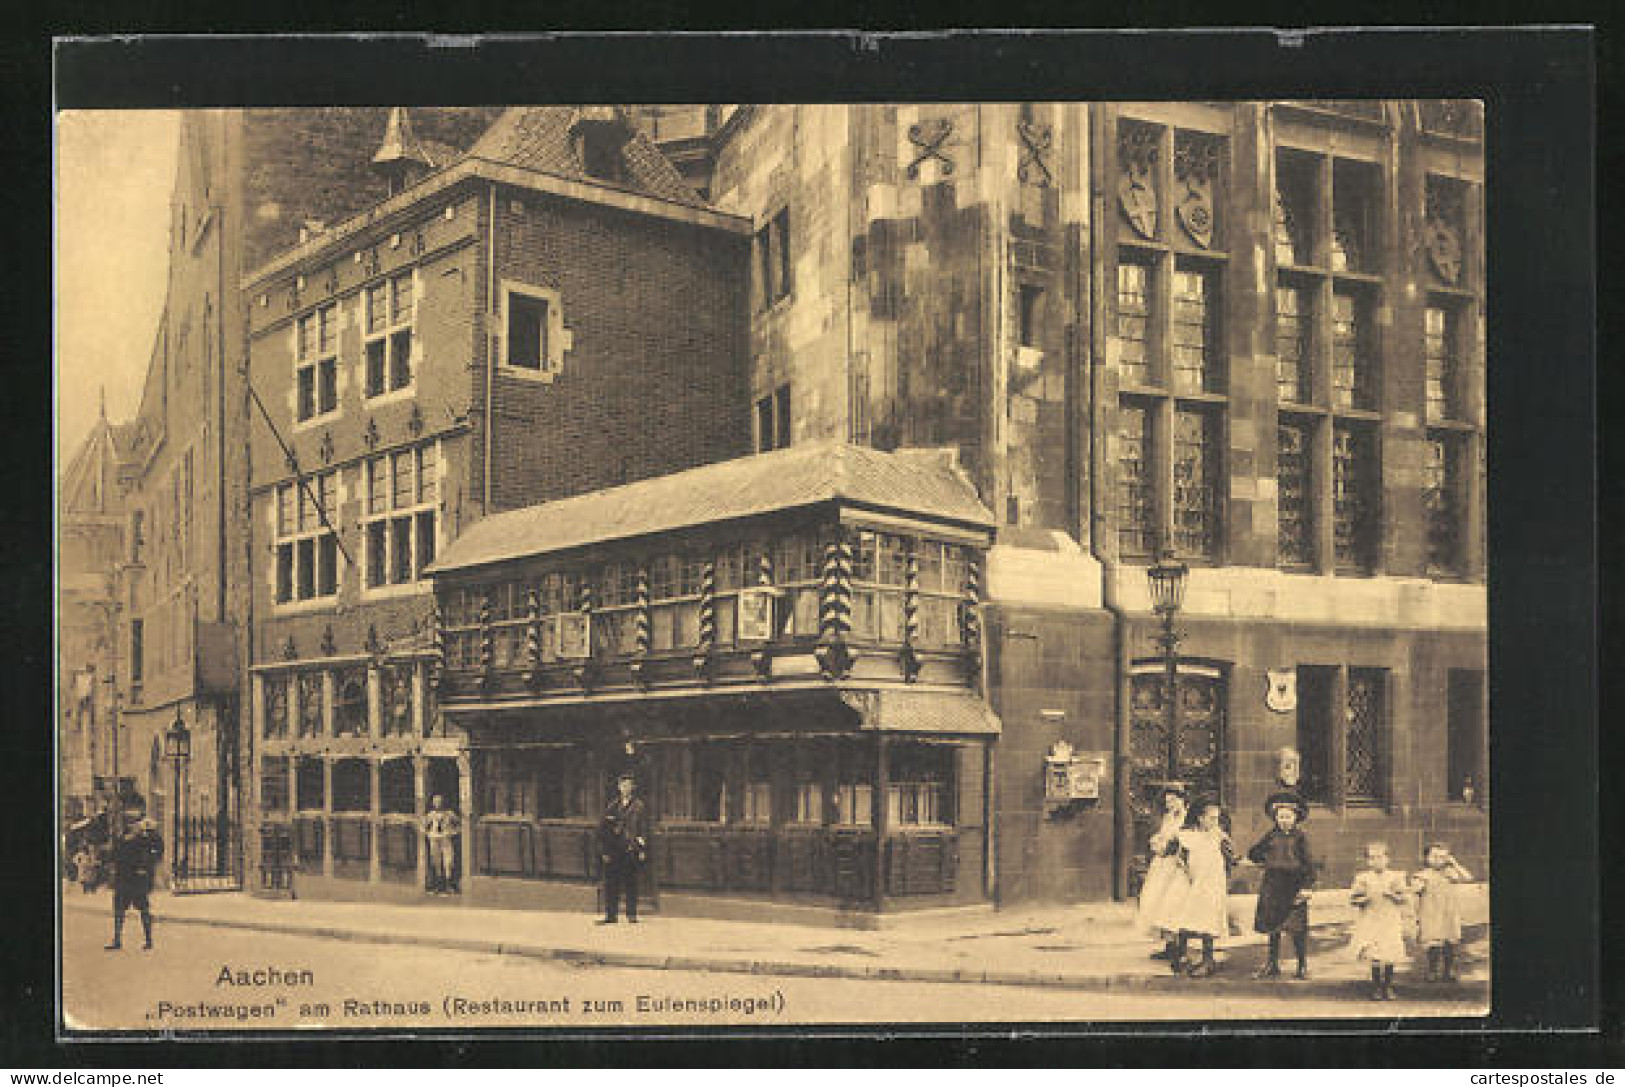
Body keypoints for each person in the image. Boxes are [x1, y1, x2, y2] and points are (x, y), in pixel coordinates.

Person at [1247, 794, 1315, 980]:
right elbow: (1253, 853)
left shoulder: (1300, 838)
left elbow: (1309, 864)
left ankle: (1302, 965)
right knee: (1273, 926)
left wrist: (1307, 887)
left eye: (1288, 817)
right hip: (1273, 885)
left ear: (1296, 818)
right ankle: (1272, 963)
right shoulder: (1271, 836)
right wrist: (1265, 859)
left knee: (1297, 927)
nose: (1284, 820)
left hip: (1293, 886)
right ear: (1275, 818)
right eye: (1281, 817)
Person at [1170, 800, 1234, 977]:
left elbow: (1229, 859)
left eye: (1217, 819)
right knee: (1185, 917)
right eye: (1211, 819)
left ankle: (1208, 960)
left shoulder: (1218, 837)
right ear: (1200, 818)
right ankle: (1182, 956)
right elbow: (1179, 857)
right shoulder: (1188, 836)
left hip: (1212, 884)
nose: (1215, 823)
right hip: (1192, 882)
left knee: (1208, 920)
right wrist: (1183, 868)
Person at [1135, 785, 1191, 964]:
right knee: (1157, 903)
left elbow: (1186, 842)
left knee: (1174, 905)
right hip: (1162, 866)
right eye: (1167, 801)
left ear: (1182, 800)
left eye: (1174, 800)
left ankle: (1179, 949)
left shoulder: (1187, 819)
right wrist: (1158, 843)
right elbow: (1163, 836)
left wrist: (1171, 847)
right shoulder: (1168, 818)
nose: (1170, 804)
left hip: (1178, 867)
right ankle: (1169, 946)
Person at [1349, 841, 1410, 1000]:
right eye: (1373, 858)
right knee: (1375, 954)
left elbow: (1404, 898)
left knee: (1389, 954)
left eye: (1380, 857)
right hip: (1371, 919)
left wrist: (1392, 895)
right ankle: (1376, 986)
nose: (1377, 861)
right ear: (1368, 861)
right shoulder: (1363, 878)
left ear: (1387, 859)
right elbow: (1354, 900)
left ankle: (1388, 986)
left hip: (1389, 920)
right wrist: (1365, 898)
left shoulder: (1395, 877)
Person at [105, 796, 163, 951]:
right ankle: (117, 940)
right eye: (128, 812)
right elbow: (115, 852)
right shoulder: (122, 832)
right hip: (123, 877)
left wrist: (146, 867)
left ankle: (149, 940)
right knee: (119, 909)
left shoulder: (146, 833)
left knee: (143, 908)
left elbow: (157, 850)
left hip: (138, 878)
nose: (130, 815)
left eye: (133, 812)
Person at [1410, 841, 1473, 983]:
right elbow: (1414, 891)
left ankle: (1448, 970)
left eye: (1442, 857)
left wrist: (1455, 864)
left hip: (1449, 913)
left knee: (1449, 942)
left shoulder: (1451, 873)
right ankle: (1432, 970)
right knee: (1433, 943)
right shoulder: (1422, 875)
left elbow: (1468, 877)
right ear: (1426, 858)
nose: (1438, 860)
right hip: (1431, 913)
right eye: (1434, 856)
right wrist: (1418, 888)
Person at [598, 770, 647, 924]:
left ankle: (631, 914)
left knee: (630, 882)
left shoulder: (639, 806)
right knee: (612, 883)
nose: (626, 788)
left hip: (630, 848)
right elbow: (604, 829)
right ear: (619, 787)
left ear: (633, 788)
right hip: (614, 849)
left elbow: (643, 829)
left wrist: (642, 849)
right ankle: (611, 915)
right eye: (623, 785)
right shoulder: (612, 806)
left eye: (629, 785)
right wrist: (605, 851)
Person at [423, 794, 461, 894]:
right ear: (432, 803)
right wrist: (428, 834)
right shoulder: (430, 815)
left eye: (439, 801)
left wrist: (452, 832)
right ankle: (438, 884)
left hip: (446, 839)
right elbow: (423, 826)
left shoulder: (449, 814)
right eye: (435, 802)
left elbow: (459, 825)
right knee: (436, 861)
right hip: (434, 839)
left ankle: (449, 884)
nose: (438, 804)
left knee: (448, 861)